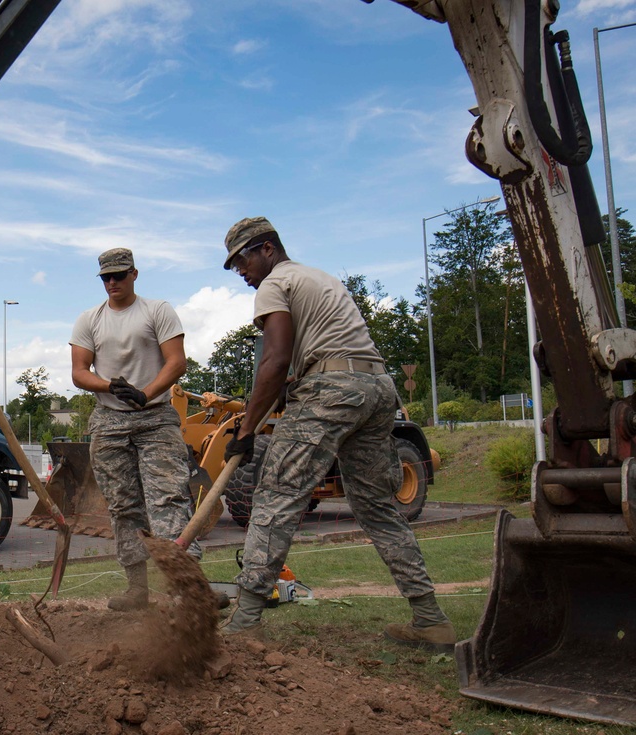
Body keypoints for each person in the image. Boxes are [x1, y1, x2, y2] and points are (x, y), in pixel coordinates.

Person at [219, 216, 455, 651]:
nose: (243, 275)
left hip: (331, 391)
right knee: (377, 508)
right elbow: (320, 352)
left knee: (275, 495)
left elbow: (273, 360)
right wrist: (296, 385)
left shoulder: (276, 283)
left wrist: (248, 429)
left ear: (267, 248)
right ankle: (430, 619)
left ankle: (246, 618)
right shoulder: (320, 279)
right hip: (376, 387)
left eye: (242, 261)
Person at [70, 247, 202, 611]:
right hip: (110, 422)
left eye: (119, 275)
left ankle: (187, 588)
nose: (112, 283)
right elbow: (79, 371)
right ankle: (137, 588)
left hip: (155, 416)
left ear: (134, 274)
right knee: (123, 506)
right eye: (106, 278)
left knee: (169, 498)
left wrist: (145, 394)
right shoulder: (89, 320)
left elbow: (176, 362)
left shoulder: (157, 311)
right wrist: (110, 386)